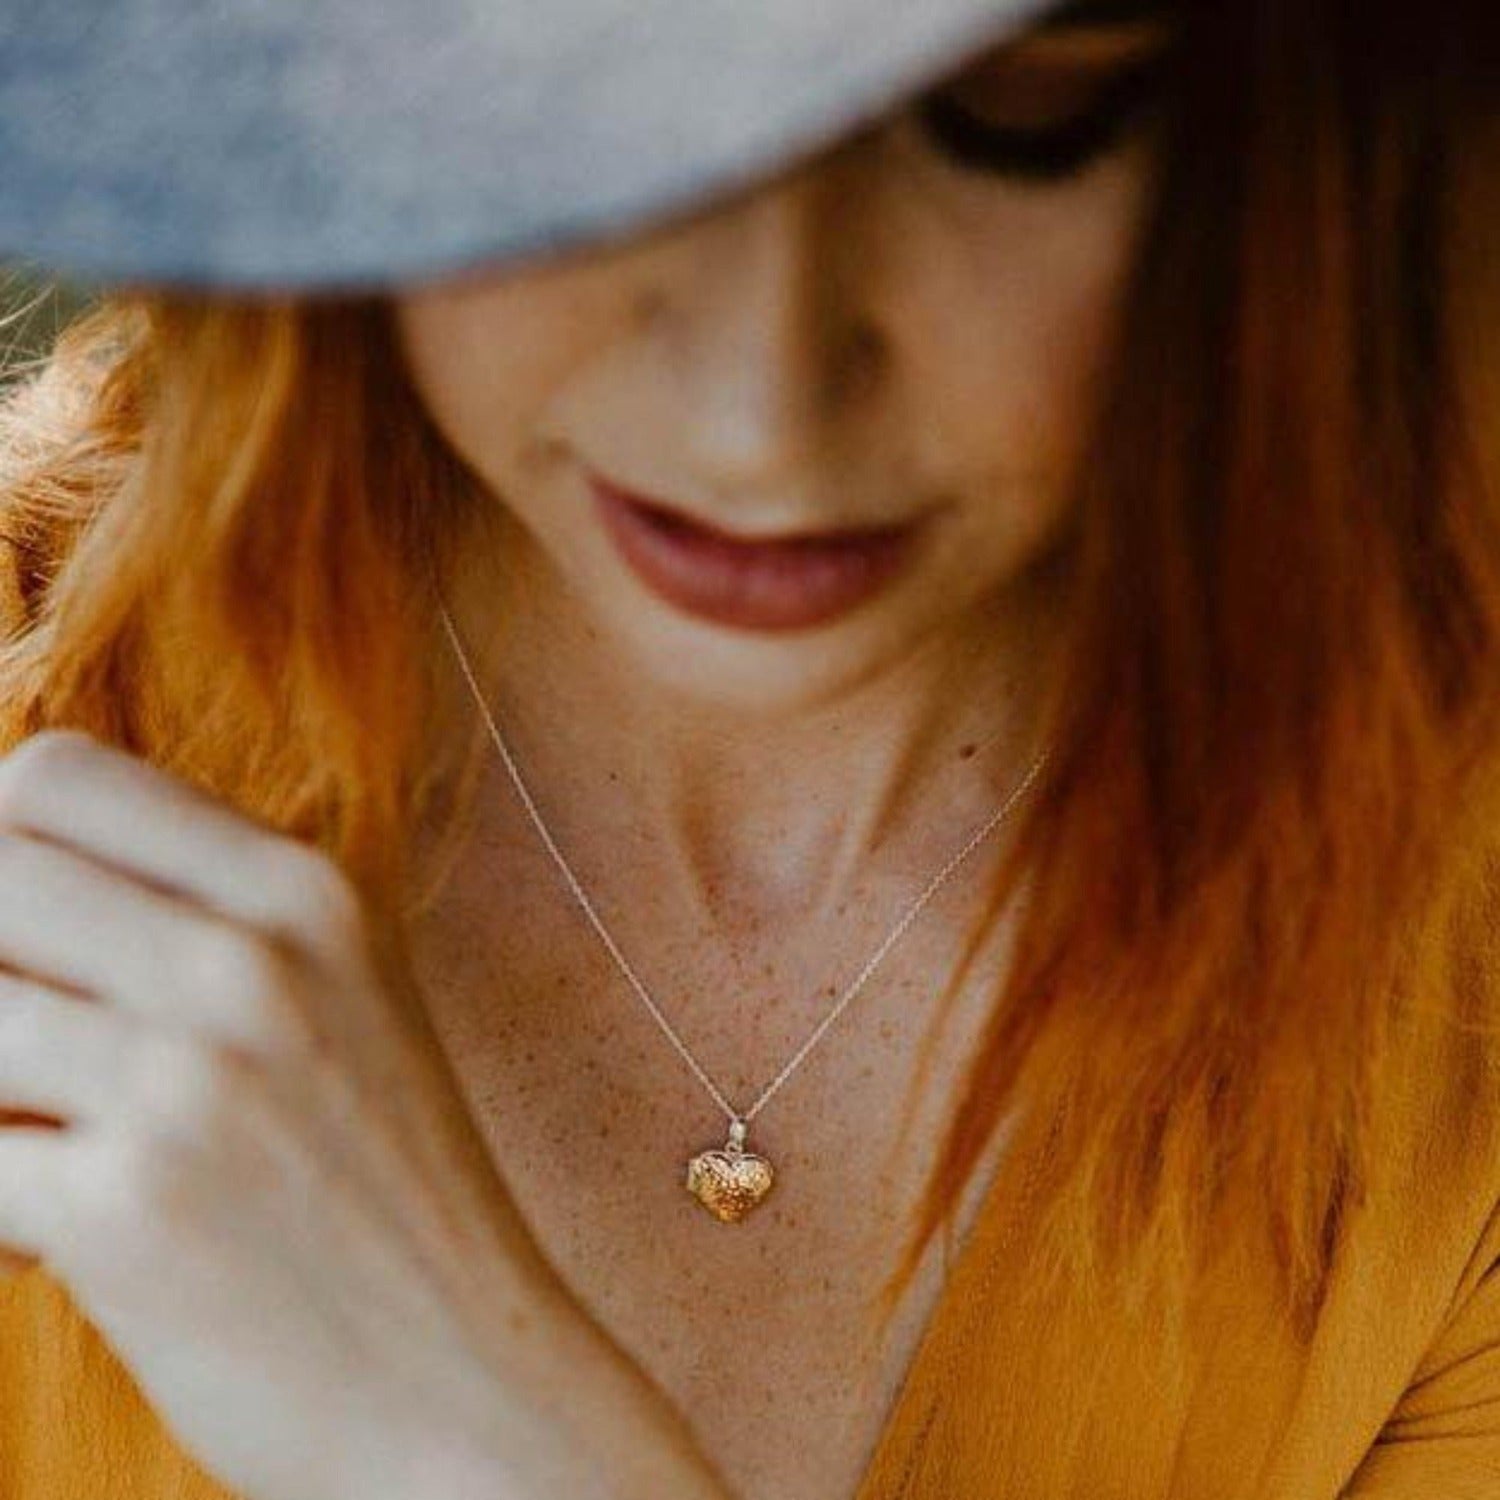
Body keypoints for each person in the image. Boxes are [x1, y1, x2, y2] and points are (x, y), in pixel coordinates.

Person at [0, 0, 1497, 1496]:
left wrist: (482, 1442)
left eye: (1010, 108)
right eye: (582, 86)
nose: (758, 418)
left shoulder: (1454, 1003)